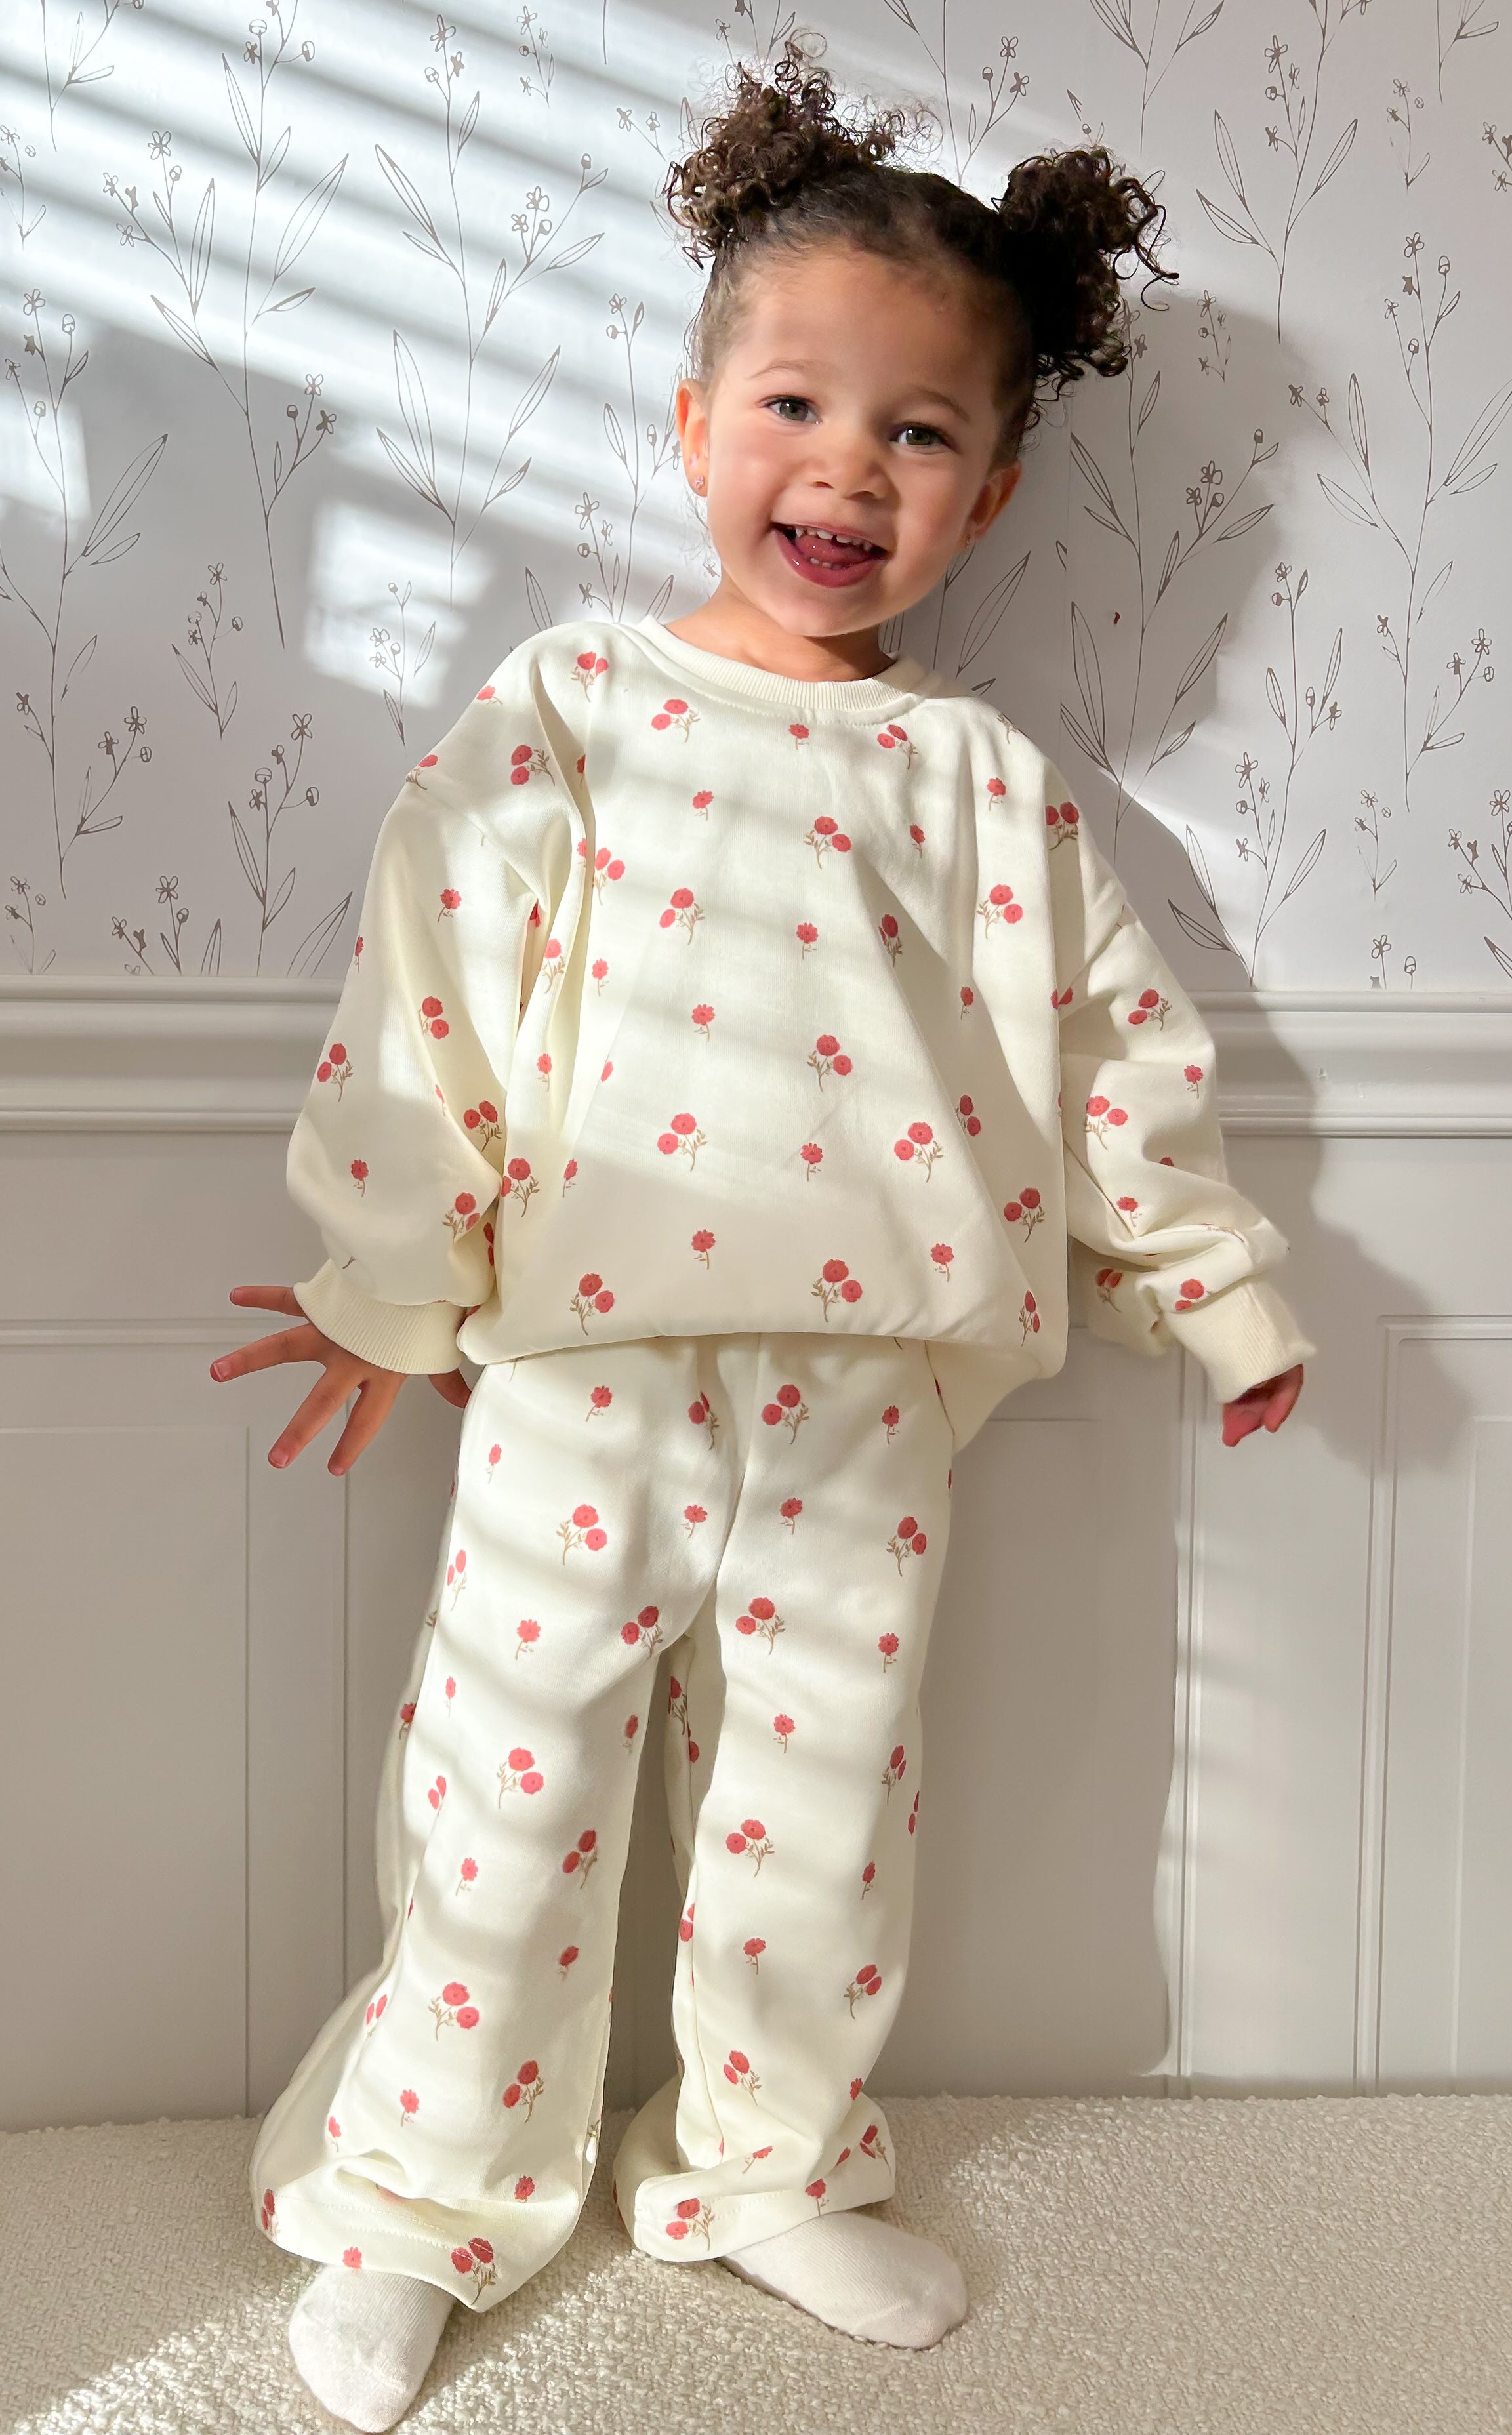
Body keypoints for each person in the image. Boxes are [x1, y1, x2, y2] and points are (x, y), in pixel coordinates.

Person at [211, 31, 1313, 2430]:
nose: (844, 468)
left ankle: (764, 2165)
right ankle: (416, 2200)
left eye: (915, 434)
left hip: (868, 1391)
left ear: (989, 493)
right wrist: (387, 1284)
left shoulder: (982, 782)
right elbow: (433, 992)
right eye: (796, 407)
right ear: (693, 424)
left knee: (815, 1822)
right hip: (581, 1374)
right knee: (506, 1802)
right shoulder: (570, 708)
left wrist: (1212, 1291)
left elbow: (1116, 1051)